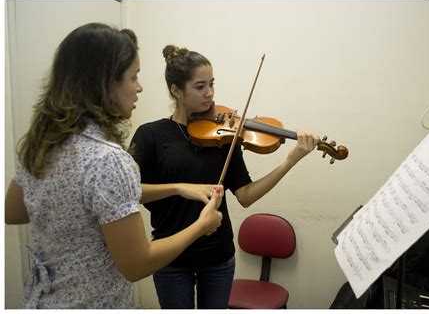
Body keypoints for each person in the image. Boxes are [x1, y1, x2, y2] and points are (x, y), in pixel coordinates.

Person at [5, 24, 223, 309]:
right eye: (133, 77)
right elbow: (137, 265)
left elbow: (14, 212)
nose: (139, 87)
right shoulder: (107, 159)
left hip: (41, 301)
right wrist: (201, 226)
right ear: (105, 83)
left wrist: (176, 188)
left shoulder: (41, 144)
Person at [129, 44, 320, 309]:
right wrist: (178, 187)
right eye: (199, 86)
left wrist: (290, 160)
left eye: (212, 84)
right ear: (176, 90)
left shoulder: (224, 137)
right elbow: (130, 191)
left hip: (218, 260)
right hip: (171, 259)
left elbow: (246, 196)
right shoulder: (150, 135)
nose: (210, 94)